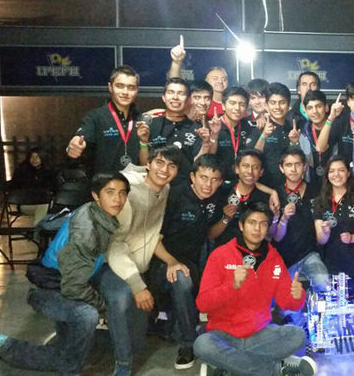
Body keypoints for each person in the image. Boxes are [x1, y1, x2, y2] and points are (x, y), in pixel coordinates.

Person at [0, 172, 129, 374]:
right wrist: (103, 305)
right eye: (110, 192)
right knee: (86, 316)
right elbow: (73, 287)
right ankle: (4, 345)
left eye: (122, 193)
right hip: (48, 290)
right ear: (96, 195)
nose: (117, 199)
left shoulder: (98, 214)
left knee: (69, 348)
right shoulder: (87, 230)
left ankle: (66, 358)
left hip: (61, 283)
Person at [194, 201, 317, 376]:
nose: (257, 229)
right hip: (224, 334)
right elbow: (203, 304)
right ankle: (275, 370)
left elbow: (287, 303)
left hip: (260, 333)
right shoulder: (220, 255)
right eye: (252, 223)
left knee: (297, 335)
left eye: (263, 224)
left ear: (268, 228)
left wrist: (297, 296)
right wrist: (231, 286)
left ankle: (230, 366)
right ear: (241, 225)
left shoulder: (274, 259)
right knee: (202, 345)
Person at [93, 145, 181, 376]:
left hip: (134, 264)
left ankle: (116, 345)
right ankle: (122, 365)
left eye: (171, 166)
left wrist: (171, 260)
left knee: (138, 340)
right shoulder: (128, 193)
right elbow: (115, 244)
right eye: (159, 163)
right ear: (148, 163)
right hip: (104, 262)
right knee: (122, 297)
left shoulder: (164, 189)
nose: (164, 170)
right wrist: (137, 285)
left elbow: (149, 234)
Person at [149, 154, 225, 369]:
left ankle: (179, 327)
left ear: (220, 182)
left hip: (192, 260)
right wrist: (171, 262)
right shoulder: (174, 196)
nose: (208, 185)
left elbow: (210, 233)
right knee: (181, 278)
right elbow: (154, 239)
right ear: (192, 177)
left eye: (214, 180)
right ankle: (188, 344)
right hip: (162, 260)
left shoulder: (216, 198)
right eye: (203, 177)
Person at [136, 77, 216, 187]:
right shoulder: (151, 124)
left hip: (183, 188)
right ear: (164, 97)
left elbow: (198, 165)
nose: (175, 97)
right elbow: (144, 164)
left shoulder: (196, 129)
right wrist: (143, 142)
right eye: (171, 92)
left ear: (188, 99)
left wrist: (206, 144)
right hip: (153, 188)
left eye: (181, 93)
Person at [271, 148, 329, 294]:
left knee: (324, 284)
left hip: (309, 254)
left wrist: (324, 230)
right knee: (283, 301)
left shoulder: (315, 191)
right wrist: (284, 217)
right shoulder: (276, 194)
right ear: (281, 168)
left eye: (297, 164)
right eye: (288, 165)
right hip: (284, 256)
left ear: (304, 167)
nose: (293, 169)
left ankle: (311, 301)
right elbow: (276, 237)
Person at [67, 65, 142, 175]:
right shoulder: (95, 117)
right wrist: (74, 144)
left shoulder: (140, 119)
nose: (125, 92)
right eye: (120, 86)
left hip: (135, 183)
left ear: (137, 90)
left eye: (131, 87)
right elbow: (81, 136)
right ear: (110, 87)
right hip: (104, 183)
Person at [312, 155, 354, 293]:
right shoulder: (320, 202)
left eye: (341, 170)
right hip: (331, 262)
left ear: (348, 173)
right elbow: (320, 240)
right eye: (332, 171)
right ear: (327, 175)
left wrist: (353, 237)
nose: (336, 174)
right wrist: (325, 233)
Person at [315, 80, 354, 192]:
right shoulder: (341, 122)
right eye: (353, 99)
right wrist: (331, 117)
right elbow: (320, 147)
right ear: (348, 102)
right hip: (344, 184)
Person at [211, 149, 275, 248]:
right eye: (245, 166)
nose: (250, 171)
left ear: (261, 172)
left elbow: (269, 234)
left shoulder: (265, 197)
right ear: (237, 169)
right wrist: (225, 219)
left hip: (253, 252)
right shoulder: (223, 191)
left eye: (255, 167)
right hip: (224, 250)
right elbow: (211, 234)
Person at [168, 36, 228, 119]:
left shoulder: (232, 105)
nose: (220, 81)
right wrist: (176, 62)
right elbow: (175, 83)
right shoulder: (192, 101)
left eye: (224, 79)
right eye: (215, 78)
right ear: (206, 81)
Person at [254, 82, 298, 188]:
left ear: (288, 105)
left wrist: (294, 143)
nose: (277, 107)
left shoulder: (293, 129)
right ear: (266, 105)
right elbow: (252, 157)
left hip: (288, 188)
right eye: (273, 103)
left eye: (282, 102)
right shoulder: (260, 126)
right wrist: (264, 136)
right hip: (263, 188)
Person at [213, 86, 259, 183]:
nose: (237, 108)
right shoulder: (213, 127)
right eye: (232, 103)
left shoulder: (250, 128)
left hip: (243, 183)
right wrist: (214, 135)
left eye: (242, 104)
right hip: (217, 183)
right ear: (223, 105)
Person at [297, 89, 335, 190]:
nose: (315, 111)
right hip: (309, 184)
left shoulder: (337, 128)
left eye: (319, 106)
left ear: (326, 107)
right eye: (310, 108)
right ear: (305, 110)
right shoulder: (302, 131)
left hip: (335, 183)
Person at [8, 147, 57, 223]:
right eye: (32, 157)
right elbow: (17, 187)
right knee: (43, 207)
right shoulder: (22, 170)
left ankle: (38, 228)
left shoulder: (49, 171)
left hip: (45, 202)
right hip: (26, 203)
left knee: (44, 206)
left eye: (37, 157)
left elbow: (53, 188)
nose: (34, 160)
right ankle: (38, 229)